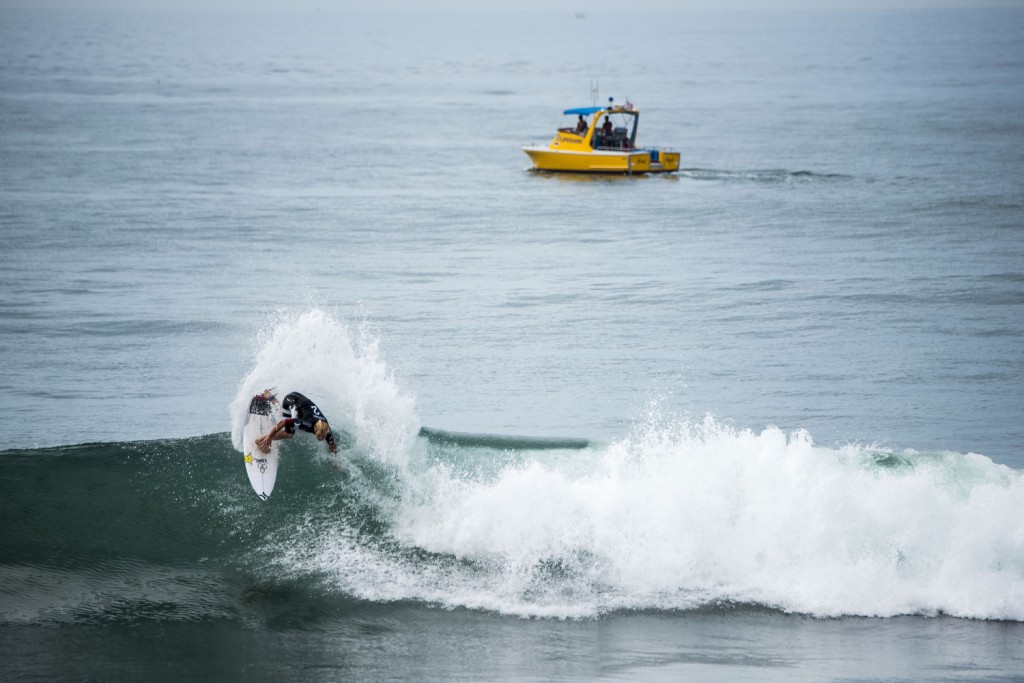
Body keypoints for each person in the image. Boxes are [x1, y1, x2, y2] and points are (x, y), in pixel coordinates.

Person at [256, 390, 337, 455]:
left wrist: (335, 460)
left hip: (300, 400)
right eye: (319, 436)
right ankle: (260, 441)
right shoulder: (307, 423)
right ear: (315, 428)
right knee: (288, 433)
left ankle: (269, 395)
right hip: (291, 400)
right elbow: (283, 422)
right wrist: (270, 437)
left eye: (323, 436)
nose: (320, 438)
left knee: (294, 421)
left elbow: (332, 444)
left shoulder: (326, 429)